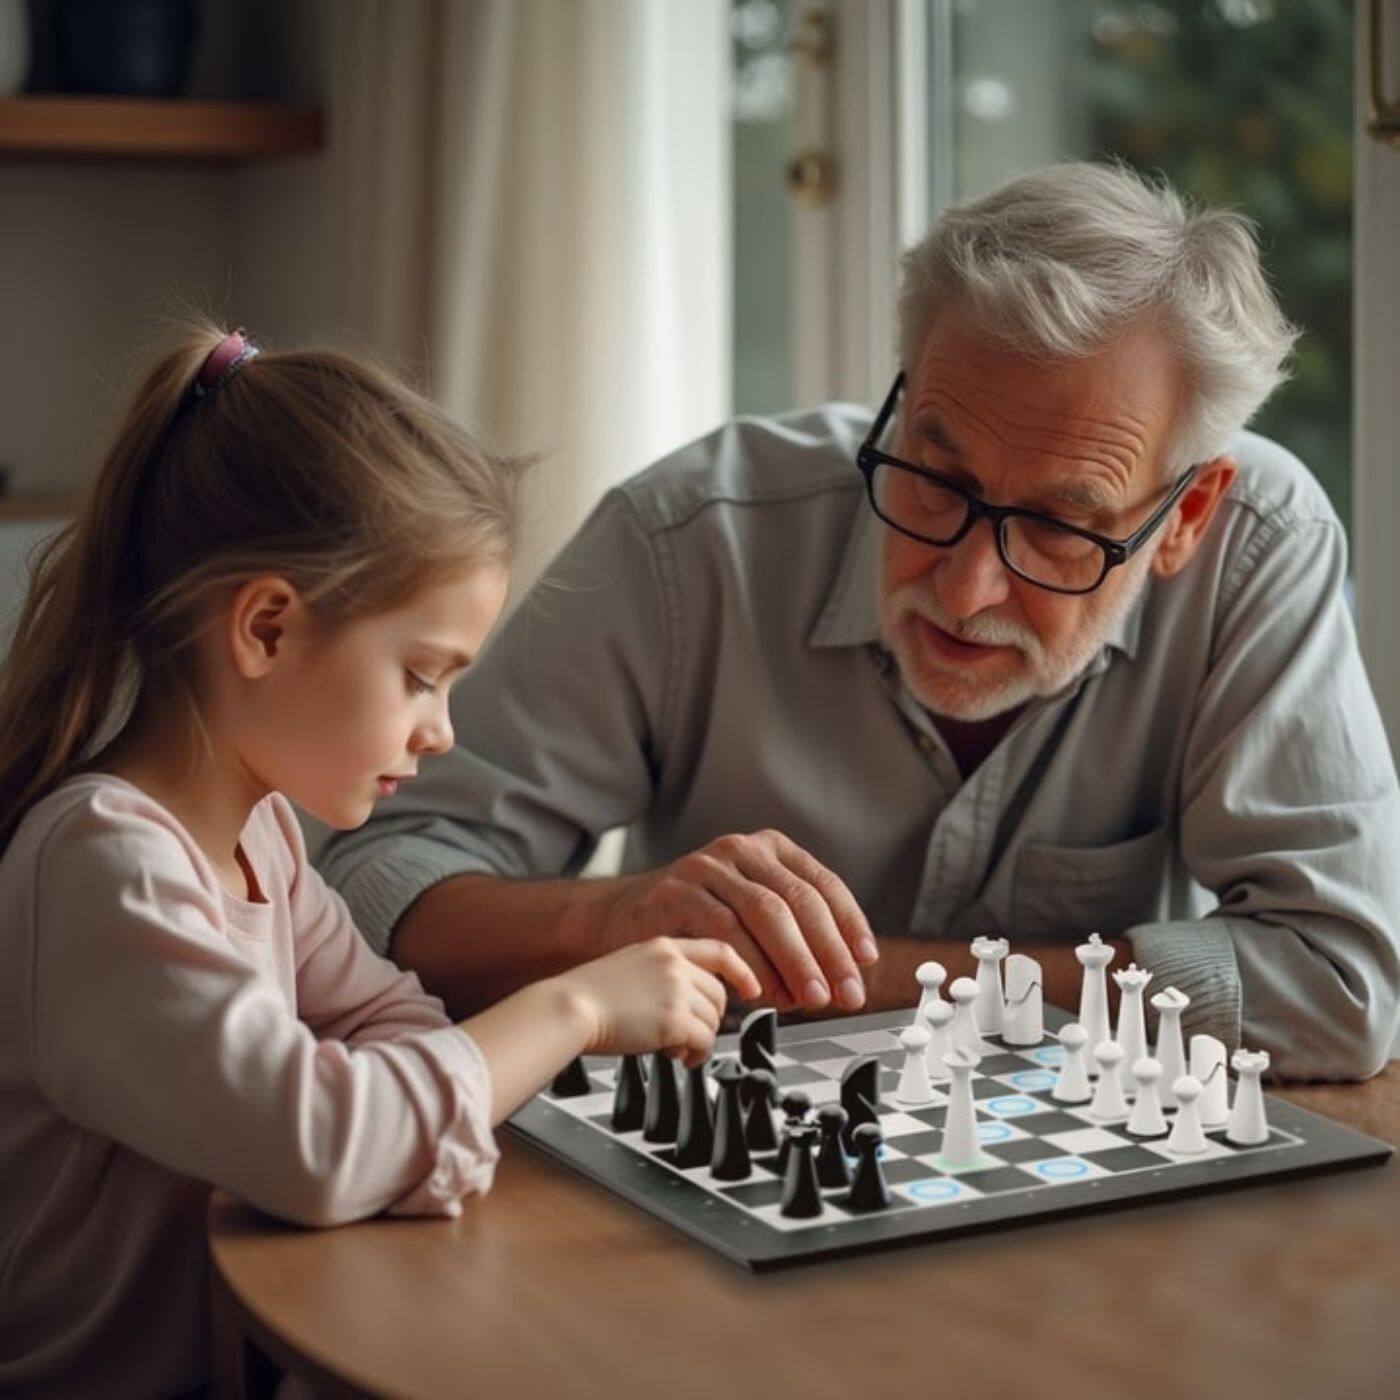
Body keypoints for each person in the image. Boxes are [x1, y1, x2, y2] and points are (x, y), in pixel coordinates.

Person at [320, 162, 1400, 1082]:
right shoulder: (689, 539)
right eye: (935, 477)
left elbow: (1339, 985)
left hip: (1088, 1221)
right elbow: (368, 881)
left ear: (1183, 517)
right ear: (903, 389)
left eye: (1058, 527)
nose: (967, 585)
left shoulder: (1256, 545)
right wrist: (607, 923)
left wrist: (869, 979)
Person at [0, 326, 759, 1398]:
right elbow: (322, 1144)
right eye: (420, 674)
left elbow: (390, 1025)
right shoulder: (108, 867)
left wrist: (390, 1124)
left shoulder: (259, 838)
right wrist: (574, 1008)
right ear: (266, 627)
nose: (442, 728)